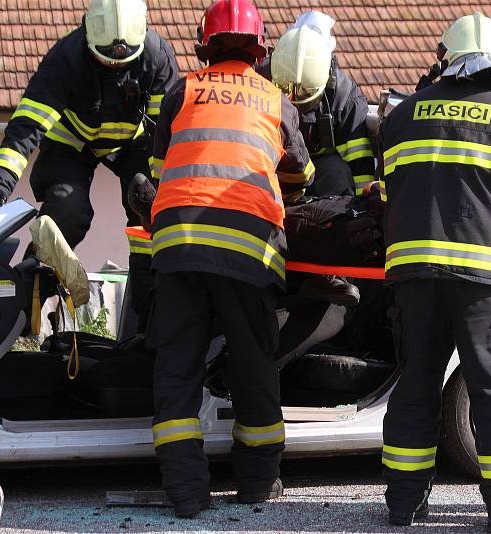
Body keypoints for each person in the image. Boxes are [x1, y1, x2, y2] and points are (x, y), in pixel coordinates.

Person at [146, 0, 313, 518]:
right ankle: (258, 483)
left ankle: (187, 493)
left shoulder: (183, 91)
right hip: (249, 250)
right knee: (253, 366)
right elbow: (302, 176)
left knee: (176, 369)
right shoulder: (274, 99)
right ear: (261, 49)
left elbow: (157, 165)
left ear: (206, 44)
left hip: (177, 247)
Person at [379, 13, 491, 533]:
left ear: (445, 59)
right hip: (485, 282)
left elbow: (388, 197)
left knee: (416, 386)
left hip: (413, 278)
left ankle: (404, 504)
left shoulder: (402, 116)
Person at [0, 0, 177, 241]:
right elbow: (24, 132)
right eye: (106, 61)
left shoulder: (157, 59)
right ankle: (42, 272)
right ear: (88, 37)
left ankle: (149, 276)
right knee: (67, 210)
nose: (113, 67)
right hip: (71, 143)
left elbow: (166, 133)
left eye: (121, 64)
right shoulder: (65, 60)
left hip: (133, 143)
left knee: (151, 207)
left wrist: (165, 192)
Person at [266, 11, 376, 197]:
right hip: (273, 168)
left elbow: (359, 166)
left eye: (306, 95)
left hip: (321, 178)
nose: (296, 98)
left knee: (336, 171)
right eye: (288, 92)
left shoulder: (344, 97)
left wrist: (362, 210)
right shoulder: (261, 79)